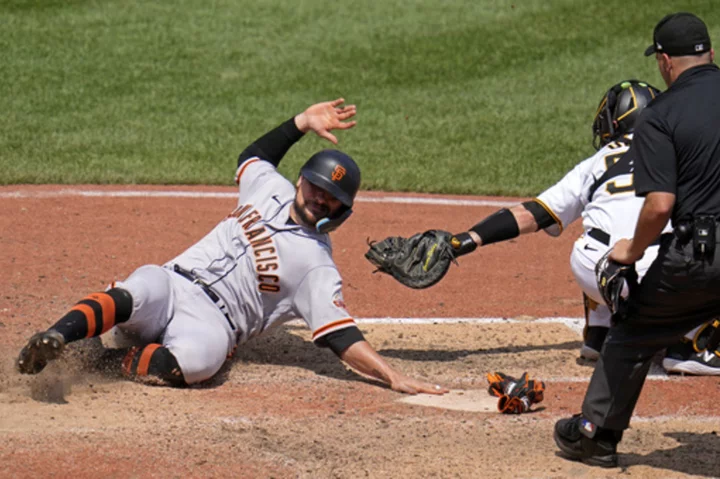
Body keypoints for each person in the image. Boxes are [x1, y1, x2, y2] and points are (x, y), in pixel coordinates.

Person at [16, 98, 449, 396]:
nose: (320, 197)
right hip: (174, 283)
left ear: (343, 209)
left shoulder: (318, 266)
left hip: (214, 325)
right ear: (302, 181)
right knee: (141, 286)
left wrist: (392, 376)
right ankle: (56, 336)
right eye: (316, 186)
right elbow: (253, 155)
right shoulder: (268, 189)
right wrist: (301, 122)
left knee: (197, 365)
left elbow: (342, 336)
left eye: (332, 198)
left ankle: (100, 364)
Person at [553, 12, 720, 467]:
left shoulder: (661, 114)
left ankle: (596, 436)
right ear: (710, 53)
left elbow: (660, 205)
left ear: (664, 61)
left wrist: (632, 250)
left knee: (633, 332)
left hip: (702, 256)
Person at [448, 79, 670, 361]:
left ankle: (601, 332)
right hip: (659, 279)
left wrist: (469, 237)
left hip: (598, 272)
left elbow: (534, 213)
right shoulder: (682, 153)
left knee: (594, 238)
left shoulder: (594, 162)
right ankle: (694, 347)